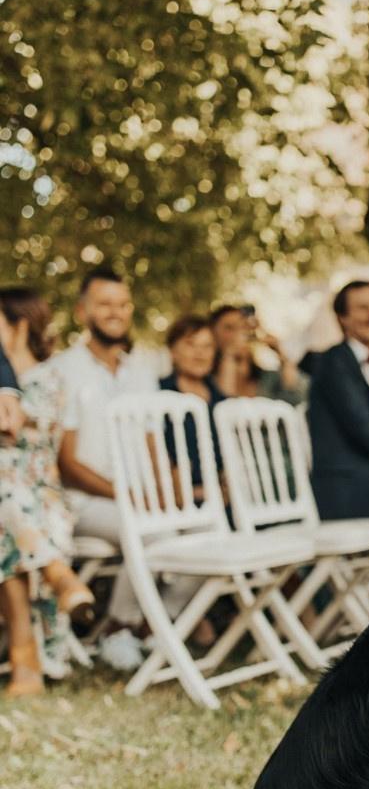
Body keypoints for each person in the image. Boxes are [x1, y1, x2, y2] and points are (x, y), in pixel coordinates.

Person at [53, 267, 159, 671]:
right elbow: (67, 463)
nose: (114, 312)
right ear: (83, 312)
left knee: (201, 527)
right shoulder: (64, 371)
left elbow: (152, 448)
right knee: (146, 531)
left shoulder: (142, 374)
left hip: (138, 501)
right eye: (104, 304)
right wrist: (126, 495)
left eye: (121, 304)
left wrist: (170, 492)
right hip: (84, 505)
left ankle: (149, 627)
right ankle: (118, 628)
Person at [0, 288, 95, 696]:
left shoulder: (49, 378)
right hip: (23, 515)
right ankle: (58, 573)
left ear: (19, 325)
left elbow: (19, 431)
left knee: (2, 503)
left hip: (43, 501)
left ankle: (27, 663)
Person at [308, 280, 369, 520]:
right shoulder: (334, 362)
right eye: (362, 308)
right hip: (349, 488)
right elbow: (366, 431)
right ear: (343, 318)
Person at [159, 315, 226, 499]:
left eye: (207, 346)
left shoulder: (223, 401)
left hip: (225, 499)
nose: (200, 353)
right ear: (173, 351)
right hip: (176, 501)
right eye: (190, 344)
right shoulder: (158, 395)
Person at [210, 304, 308, 406]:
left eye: (244, 327)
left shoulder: (266, 378)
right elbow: (224, 405)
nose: (239, 333)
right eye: (229, 328)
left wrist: (280, 352)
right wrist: (229, 356)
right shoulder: (208, 378)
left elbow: (299, 396)